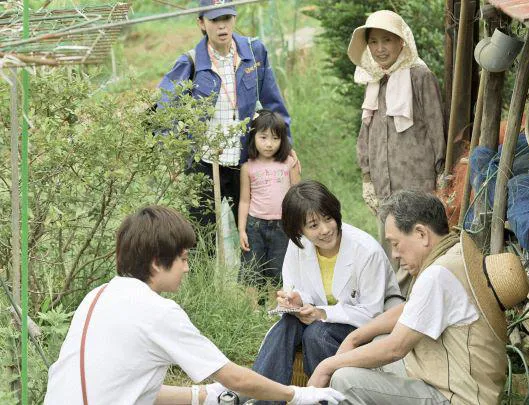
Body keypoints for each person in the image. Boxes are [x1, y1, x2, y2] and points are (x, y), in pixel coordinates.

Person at [44, 206, 344, 405]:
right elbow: (235, 377)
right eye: (184, 259)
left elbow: (132, 387)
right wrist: (299, 394)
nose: (187, 268)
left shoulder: (98, 295)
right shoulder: (157, 312)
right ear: (156, 262)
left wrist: (203, 395)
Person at [307, 190, 529, 404]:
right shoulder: (452, 254)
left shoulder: (437, 275)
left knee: (345, 381)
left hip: (457, 398)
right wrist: (354, 338)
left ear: (421, 234)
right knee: (375, 343)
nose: (394, 254)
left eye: (395, 243)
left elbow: (395, 348)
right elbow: (410, 309)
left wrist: (326, 366)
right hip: (460, 381)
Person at [251, 180, 403, 404]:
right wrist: (297, 300)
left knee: (317, 335)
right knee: (286, 325)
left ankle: (327, 400)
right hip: (323, 319)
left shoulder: (366, 250)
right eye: (313, 226)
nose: (325, 230)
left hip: (367, 325)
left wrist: (322, 314)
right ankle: (261, 397)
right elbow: (299, 288)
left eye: (328, 218)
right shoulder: (299, 245)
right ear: (298, 230)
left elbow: (372, 313)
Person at [158, 0, 294, 232]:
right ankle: (208, 269)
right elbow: (164, 109)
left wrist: (287, 145)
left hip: (244, 161)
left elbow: (273, 102)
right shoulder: (190, 62)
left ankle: (251, 270)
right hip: (204, 163)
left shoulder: (253, 52)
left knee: (252, 231)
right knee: (202, 234)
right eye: (214, 20)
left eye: (226, 19)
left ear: (234, 19)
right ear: (201, 23)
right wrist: (170, 154)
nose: (222, 26)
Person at [347, 10, 447, 296]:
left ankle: (419, 307)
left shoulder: (419, 76)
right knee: (393, 249)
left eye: (387, 40)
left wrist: (441, 173)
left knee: (419, 249)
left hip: (416, 183)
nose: (380, 48)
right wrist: (367, 175)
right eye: (374, 42)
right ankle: (396, 309)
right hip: (385, 185)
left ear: (401, 41)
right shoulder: (374, 80)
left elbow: (435, 126)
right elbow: (366, 133)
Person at [238, 109, 300, 289]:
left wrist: (297, 225)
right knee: (251, 270)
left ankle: (274, 313)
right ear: (254, 137)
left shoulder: (289, 163)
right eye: (263, 137)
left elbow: (297, 196)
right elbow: (244, 201)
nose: (269, 144)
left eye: (275, 138)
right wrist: (242, 230)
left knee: (279, 272)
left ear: (282, 140)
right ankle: (252, 313)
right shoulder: (248, 167)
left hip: (283, 226)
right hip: (254, 226)